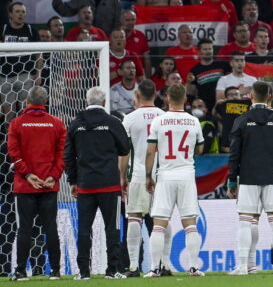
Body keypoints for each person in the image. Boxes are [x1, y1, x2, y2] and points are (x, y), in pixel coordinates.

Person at [64, 87, 130, 280]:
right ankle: (113, 270)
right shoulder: (113, 122)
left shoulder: (76, 124)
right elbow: (125, 148)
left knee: (84, 229)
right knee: (112, 228)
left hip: (85, 184)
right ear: (104, 102)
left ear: (86, 101)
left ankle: (84, 272)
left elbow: (68, 156)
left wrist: (73, 180)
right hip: (109, 184)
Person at [227, 81, 273, 275]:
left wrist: (232, 180)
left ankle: (244, 266)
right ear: (269, 96)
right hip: (272, 176)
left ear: (251, 96)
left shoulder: (242, 120)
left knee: (246, 221)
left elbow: (234, 153)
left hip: (248, 177)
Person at [144, 85, 205, 277]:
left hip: (165, 176)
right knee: (190, 224)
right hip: (186, 175)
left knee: (159, 225)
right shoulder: (194, 121)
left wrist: (148, 176)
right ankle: (194, 267)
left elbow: (150, 152)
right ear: (185, 99)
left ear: (167, 98)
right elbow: (200, 149)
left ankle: (154, 268)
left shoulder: (158, 121)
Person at [7, 87, 66, 281]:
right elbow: (62, 153)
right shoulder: (57, 123)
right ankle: (55, 272)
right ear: (45, 102)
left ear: (27, 101)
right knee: (50, 227)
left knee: (24, 228)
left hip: (25, 185)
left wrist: (27, 174)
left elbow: (13, 152)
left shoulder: (16, 123)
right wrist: (54, 176)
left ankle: (21, 271)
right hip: (49, 184)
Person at [121, 80, 167, 277]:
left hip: (138, 174)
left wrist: (122, 177)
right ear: (155, 95)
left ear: (137, 95)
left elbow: (124, 152)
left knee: (134, 217)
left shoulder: (129, 119)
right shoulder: (164, 117)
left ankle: (133, 267)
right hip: (161, 175)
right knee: (161, 219)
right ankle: (163, 265)